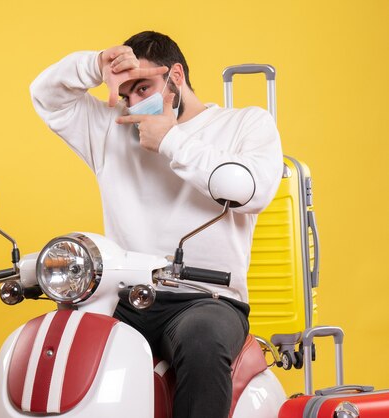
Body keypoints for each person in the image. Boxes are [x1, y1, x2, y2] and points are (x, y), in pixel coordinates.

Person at [30, 31, 283, 418]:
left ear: (176, 77)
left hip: (206, 298)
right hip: (123, 295)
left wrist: (171, 141)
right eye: (126, 93)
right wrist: (96, 64)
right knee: (59, 344)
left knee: (203, 341)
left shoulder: (245, 124)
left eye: (143, 87)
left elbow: (252, 190)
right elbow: (45, 95)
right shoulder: (114, 127)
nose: (133, 104)